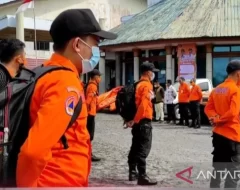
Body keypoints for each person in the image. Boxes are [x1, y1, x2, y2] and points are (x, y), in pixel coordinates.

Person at [16, 9, 117, 187]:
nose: (96, 51)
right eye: (95, 43)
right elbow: (33, 152)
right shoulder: (63, 82)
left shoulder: (44, 71)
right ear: (77, 44)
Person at [205, 60, 240, 189]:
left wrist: (215, 118)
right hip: (232, 136)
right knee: (234, 172)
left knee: (218, 169)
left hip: (218, 135)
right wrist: (220, 119)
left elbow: (208, 108)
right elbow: (233, 112)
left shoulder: (217, 89)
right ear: (239, 73)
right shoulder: (235, 89)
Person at [126, 62, 158, 186]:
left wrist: (132, 120)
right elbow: (144, 105)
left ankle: (132, 172)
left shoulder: (136, 84)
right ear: (148, 72)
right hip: (143, 121)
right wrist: (137, 119)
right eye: (153, 71)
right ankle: (142, 176)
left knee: (135, 147)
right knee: (143, 149)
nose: (153, 73)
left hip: (137, 123)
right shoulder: (147, 85)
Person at [86, 69, 102, 162]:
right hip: (90, 114)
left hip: (90, 112)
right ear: (95, 77)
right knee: (89, 135)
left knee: (89, 135)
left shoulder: (91, 85)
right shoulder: (93, 86)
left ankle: (88, 153)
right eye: (99, 77)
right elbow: (88, 100)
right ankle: (89, 154)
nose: (100, 79)